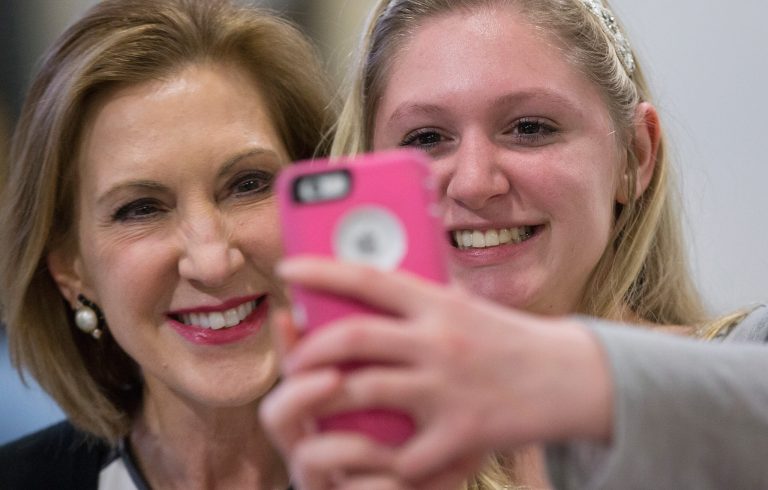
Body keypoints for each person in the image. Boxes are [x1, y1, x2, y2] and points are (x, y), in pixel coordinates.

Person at [258, 0, 767, 489]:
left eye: (529, 128)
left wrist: (565, 376)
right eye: (427, 139)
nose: (475, 183)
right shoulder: (353, 450)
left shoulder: (749, 350)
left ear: (636, 154)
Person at [0, 0, 332, 488]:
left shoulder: (442, 467)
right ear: (71, 271)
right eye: (141, 209)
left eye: (248, 184)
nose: (213, 262)